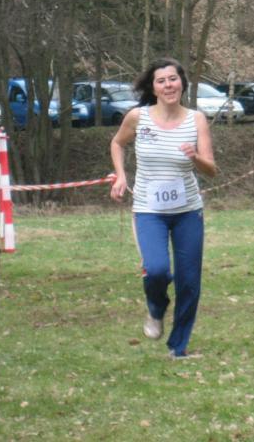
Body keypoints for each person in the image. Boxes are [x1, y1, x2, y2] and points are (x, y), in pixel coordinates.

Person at [110, 58, 217, 359]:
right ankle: (156, 308)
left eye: (173, 79)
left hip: (188, 211)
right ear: (153, 87)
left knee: (189, 282)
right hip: (149, 211)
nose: (168, 85)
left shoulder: (196, 120)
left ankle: (178, 348)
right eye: (161, 81)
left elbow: (211, 169)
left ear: (182, 83)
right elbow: (117, 143)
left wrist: (195, 157)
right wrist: (121, 175)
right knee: (156, 270)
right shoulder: (138, 117)